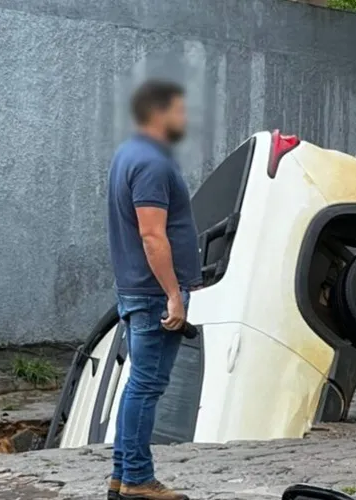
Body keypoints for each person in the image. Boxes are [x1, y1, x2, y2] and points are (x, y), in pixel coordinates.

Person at [106, 80, 201, 500]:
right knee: (146, 386)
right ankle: (138, 480)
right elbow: (152, 236)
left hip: (138, 290)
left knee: (138, 385)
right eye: (180, 111)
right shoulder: (152, 164)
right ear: (158, 113)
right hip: (153, 294)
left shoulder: (129, 154)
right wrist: (174, 295)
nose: (186, 119)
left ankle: (121, 475)